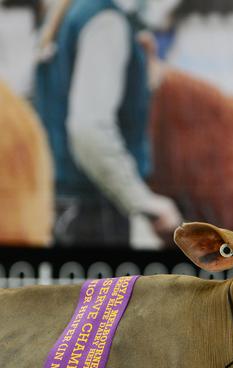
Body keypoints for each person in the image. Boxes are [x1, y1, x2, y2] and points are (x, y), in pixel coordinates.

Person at [34, 0, 182, 247]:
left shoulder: (69, 12)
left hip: (60, 207)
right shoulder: (104, 21)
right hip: (91, 214)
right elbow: (89, 129)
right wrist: (141, 199)